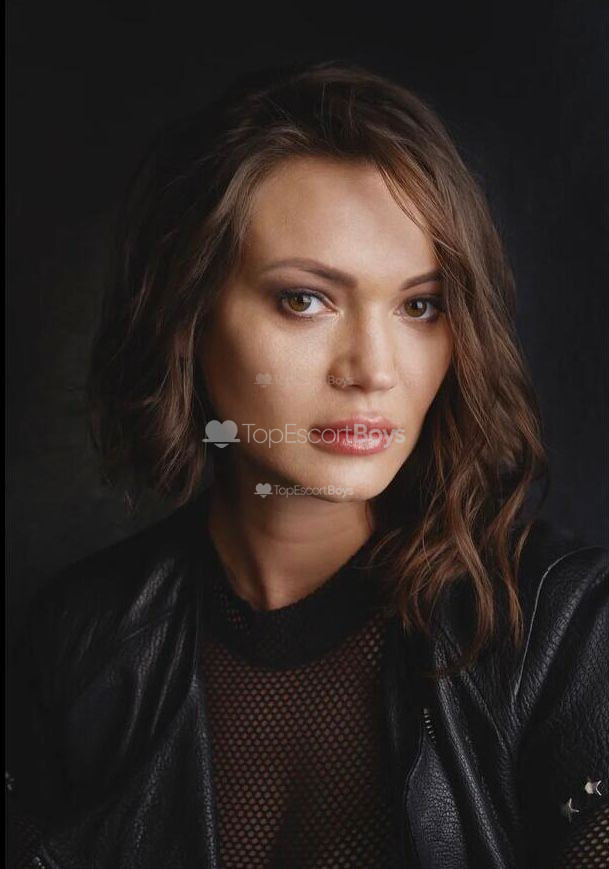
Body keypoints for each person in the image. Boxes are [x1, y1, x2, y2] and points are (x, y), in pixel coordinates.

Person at [6, 59, 608, 869]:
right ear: (187, 314)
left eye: (420, 304)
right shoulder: (82, 640)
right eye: (304, 299)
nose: (373, 369)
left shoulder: (565, 628)